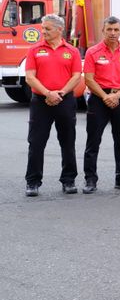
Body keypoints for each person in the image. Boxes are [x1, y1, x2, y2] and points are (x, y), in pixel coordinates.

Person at [24, 14, 82, 197]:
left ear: (59, 30)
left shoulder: (71, 51)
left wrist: (61, 93)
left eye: (47, 29)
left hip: (64, 100)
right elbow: (30, 77)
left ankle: (69, 180)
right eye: (43, 28)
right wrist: (48, 93)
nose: (43, 32)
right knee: (36, 143)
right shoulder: (34, 50)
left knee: (67, 141)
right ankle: (32, 182)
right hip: (41, 102)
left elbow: (76, 76)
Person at [82, 16, 120, 193]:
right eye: (109, 30)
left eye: (116, 30)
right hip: (99, 98)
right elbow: (89, 79)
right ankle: (90, 180)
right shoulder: (93, 52)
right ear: (103, 31)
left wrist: (119, 95)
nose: (113, 33)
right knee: (93, 142)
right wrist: (104, 96)